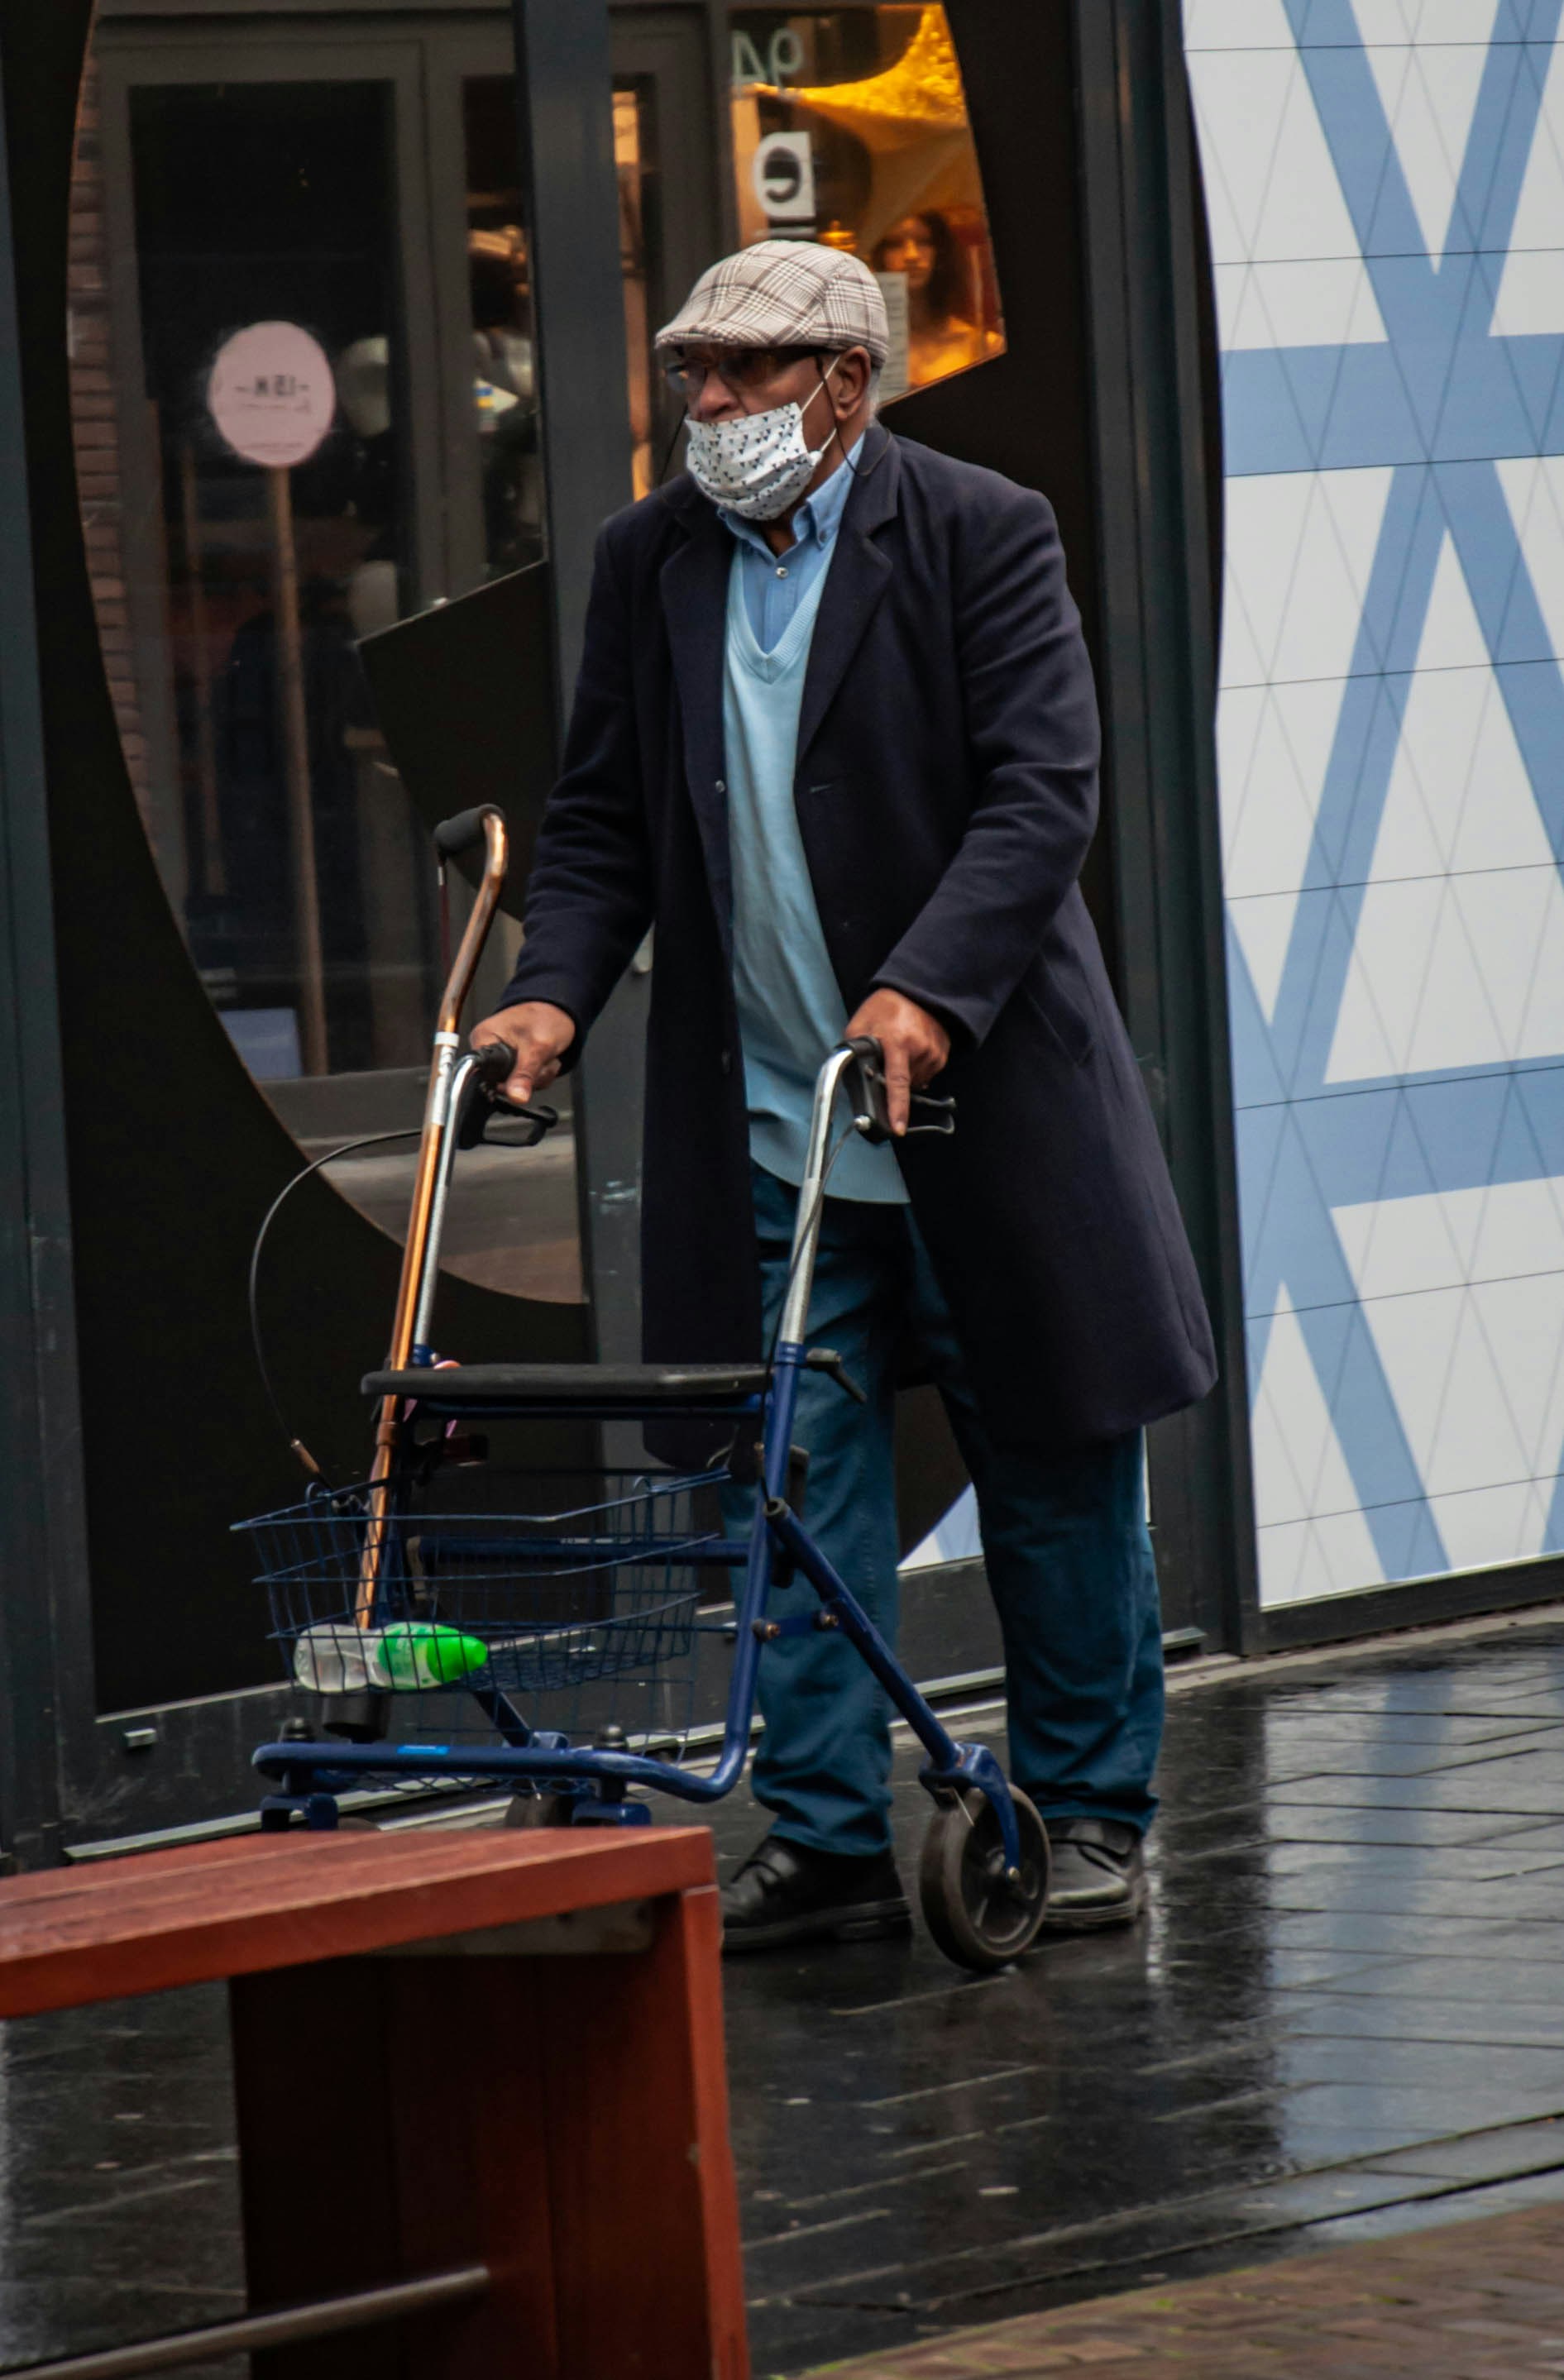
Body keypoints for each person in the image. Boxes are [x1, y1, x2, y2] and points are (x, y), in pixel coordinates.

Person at [472, 238, 1216, 1952]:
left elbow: (1043, 792)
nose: (709, 403)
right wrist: (545, 998)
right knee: (787, 1477)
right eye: (690, 372)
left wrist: (929, 981)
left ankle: (1090, 1811)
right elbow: (597, 823)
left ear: (847, 382)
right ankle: (823, 1834)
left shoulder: (976, 529)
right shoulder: (647, 560)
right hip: (771, 1125)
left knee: (1052, 1456)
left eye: (745, 370)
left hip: (980, 1110)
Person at [873, 209, 998, 386]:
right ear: (879, 254)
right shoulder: (867, 344)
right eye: (895, 244)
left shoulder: (982, 345)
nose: (912, 255)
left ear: (939, 251)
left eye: (924, 242)